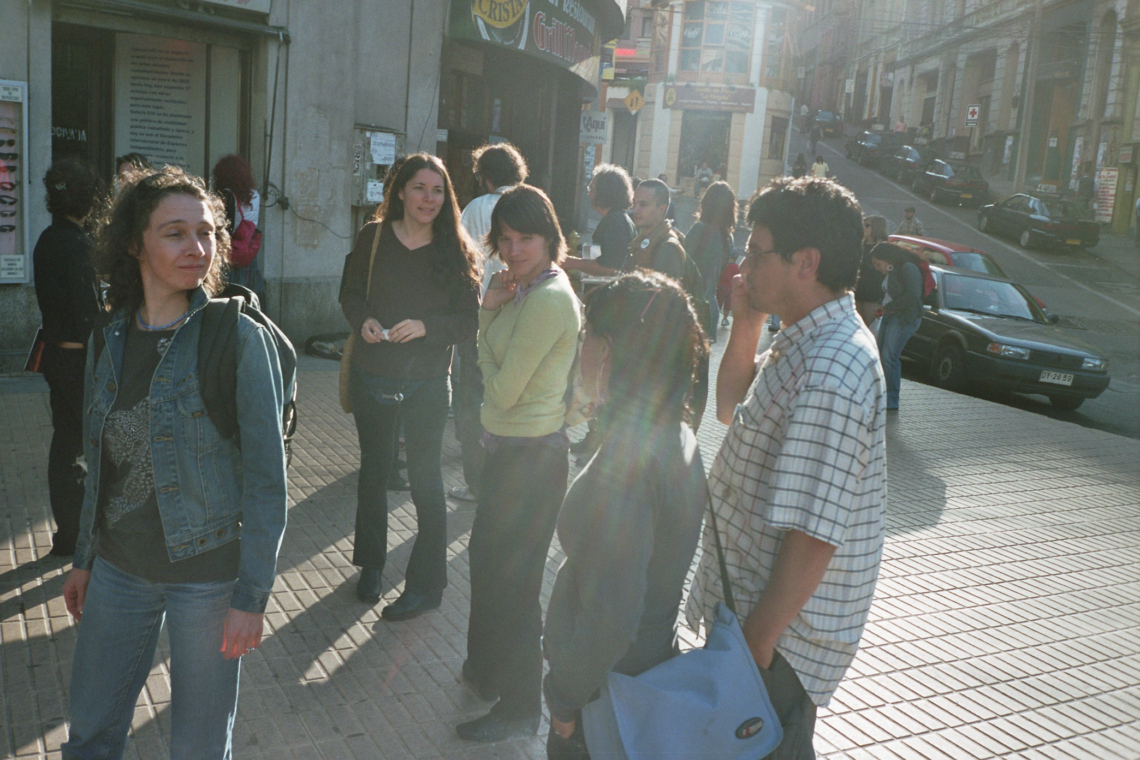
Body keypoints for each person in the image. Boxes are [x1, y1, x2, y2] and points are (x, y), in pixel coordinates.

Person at [60, 166, 289, 758]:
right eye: (175, 233)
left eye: (207, 232)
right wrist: (84, 558)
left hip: (208, 580)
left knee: (199, 748)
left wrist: (251, 596)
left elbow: (268, 480)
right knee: (89, 734)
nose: (198, 248)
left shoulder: (233, 336)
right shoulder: (108, 337)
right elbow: (98, 463)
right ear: (134, 243)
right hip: (118, 570)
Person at [685, 176, 887, 758]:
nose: (743, 261)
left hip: (776, 645)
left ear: (806, 262)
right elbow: (729, 407)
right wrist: (747, 321)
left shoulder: (833, 368)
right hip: (753, 625)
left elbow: (813, 536)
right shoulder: (805, 336)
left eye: (756, 250)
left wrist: (754, 648)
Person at [543, 271, 709, 759]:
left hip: (608, 696)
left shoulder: (632, 460)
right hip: (643, 673)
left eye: (586, 335)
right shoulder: (673, 432)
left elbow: (613, 613)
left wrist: (564, 702)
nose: (582, 349)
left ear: (610, 349)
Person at [459, 185, 582, 743]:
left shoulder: (550, 298)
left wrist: (485, 331)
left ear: (550, 237)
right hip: (508, 455)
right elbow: (494, 364)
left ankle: (519, 707)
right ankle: (485, 672)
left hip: (532, 461)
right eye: (504, 239)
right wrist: (490, 315)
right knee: (487, 567)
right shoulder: (522, 289)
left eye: (525, 238)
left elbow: (501, 391)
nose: (513, 250)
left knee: (516, 589)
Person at [340, 153, 480, 616]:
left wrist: (426, 326)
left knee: (426, 480)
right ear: (400, 190)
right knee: (375, 471)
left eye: (437, 190)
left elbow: (468, 320)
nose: (428, 198)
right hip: (371, 373)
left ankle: (428, 584)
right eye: (419, 188)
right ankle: (371, 566)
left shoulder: (455, 247)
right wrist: (363, 321)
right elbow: (350, 293)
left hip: (426, 382)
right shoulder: (373, 237)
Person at [32, 160, 104, 556]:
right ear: (87, 202)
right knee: (80, 446)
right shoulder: (79, 245)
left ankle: (67, 531)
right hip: (79, 361)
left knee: (64, 441)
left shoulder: (46, 239)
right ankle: (77, 533)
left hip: (54, 358)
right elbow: (88, 315)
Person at [453, 142, 529, 503]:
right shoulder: (533, 204)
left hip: (481, 315)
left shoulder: (475, 209)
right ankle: (510, 481)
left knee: (473, 398)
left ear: (485, 177)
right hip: (523, 316)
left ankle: (478, 482)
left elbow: (461, 261)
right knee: (513, 396)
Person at [627, 178, 708, 428]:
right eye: (634, 203)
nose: (635, 210)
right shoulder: (649, 241)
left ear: (662, 210)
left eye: (643, 204)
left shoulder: (667, 249)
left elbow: (662, 309)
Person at [870, 242, 925, 411]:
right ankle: (881, 395)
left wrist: (888, 307)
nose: (877, 269)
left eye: (878, 264)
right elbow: (889, 293)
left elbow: (912, 296)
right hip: (890, 316)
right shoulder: (892, 271)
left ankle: (891, 400)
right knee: (881, 356)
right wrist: (882, 305)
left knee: (889, 356)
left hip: (903, 319)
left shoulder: (908, 268)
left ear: (888, 259)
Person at [561, 163, 636, 278]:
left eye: (592, 189)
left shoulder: (615, 222)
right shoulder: (617, 218)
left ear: (605, 192)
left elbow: (611, 269)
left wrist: (570, 262)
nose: (589, 194)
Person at [686, 180, 736, 341]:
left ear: (705, 202)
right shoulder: (729, 238)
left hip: (691, 306)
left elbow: (682, 262)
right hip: (711, 308)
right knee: (703, 364)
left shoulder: (699, 229)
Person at [212, 154, 265, 305]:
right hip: (247, 251)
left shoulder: (225, 195)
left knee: (228, 293)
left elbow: (225, 228)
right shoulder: (253, 195)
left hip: (228, 250)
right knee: (249, 290)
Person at [855, 214, 889, 326]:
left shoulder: (883, 247)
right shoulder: (860, 244)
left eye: (867, 225)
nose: (863, 227)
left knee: (868, 325)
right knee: (857, 324)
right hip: (857, 289)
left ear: (876, 227)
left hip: (873, 292)